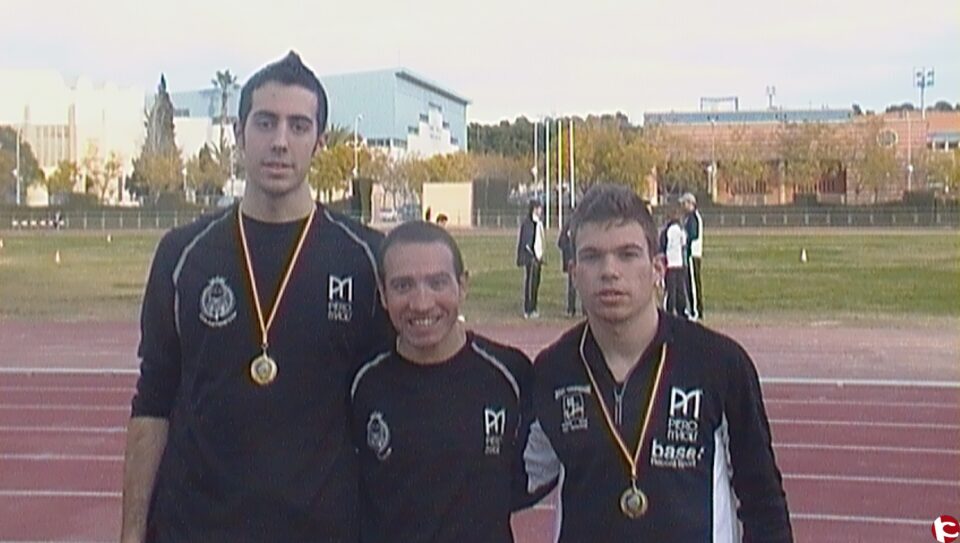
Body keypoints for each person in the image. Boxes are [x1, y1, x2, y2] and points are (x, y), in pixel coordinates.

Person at [120, 51, 393, 543]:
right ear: (238, 132)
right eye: (265, 123)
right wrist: (132, 531)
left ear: (319, 141)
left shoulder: (368, 258)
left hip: (323, 527)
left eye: (298, 125)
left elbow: (396, 398)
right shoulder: (183, 255)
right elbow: (153, 397)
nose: (280, 142)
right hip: (196, 526)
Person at [522, 184, 793, 541]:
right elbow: (515, 481)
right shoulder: (554, 370)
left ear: (657, 268)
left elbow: (763, 500)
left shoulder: (719, 364)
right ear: (573, 272)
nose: (610, 271)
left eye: (627, 254)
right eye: (592, 256)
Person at [350, 221, 543, 542]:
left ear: (462, 286)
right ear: (383, 295)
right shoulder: (361, 382)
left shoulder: (511, 374)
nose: (422, 302)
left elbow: (534, 476)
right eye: (403, 286)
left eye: (438, 282)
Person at [516, 199, 544, 318]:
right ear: (534, 209)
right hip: (531, 259)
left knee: (536, 283)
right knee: (530, 284)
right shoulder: (528, 223)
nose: (541, 210)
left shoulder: (538, 223)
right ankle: (528, 309)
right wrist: (532, 255)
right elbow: (526, 242)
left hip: (538, 259)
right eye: (539, 208)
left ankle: (534, 307)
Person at [681, 192, 704, 321]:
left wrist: (685, 239)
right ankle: (694, 308)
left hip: (693, 253)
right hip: (691, 254)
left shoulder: (693, 218)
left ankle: (696, 310)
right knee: (691, 282)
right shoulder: (690, 217)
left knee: (694, 283)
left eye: (685, 203)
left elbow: (693, 235)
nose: (683, 206)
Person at [661, 205, 688, 318]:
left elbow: (663, 245)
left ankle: (669, 311)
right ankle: (681, 311)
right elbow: (684, 244)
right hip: (679, 263)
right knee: (680, 290)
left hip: (670, 263)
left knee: (670, 290)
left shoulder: (667, 230)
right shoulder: (681, 230)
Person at [557, 221, 577, 317]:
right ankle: (571, 309)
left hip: (583, 261)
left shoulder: (584, 224)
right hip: (572, 261)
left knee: (586, 284)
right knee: (572, 285)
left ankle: (586, 311)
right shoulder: (567, 226)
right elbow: (560, 243)